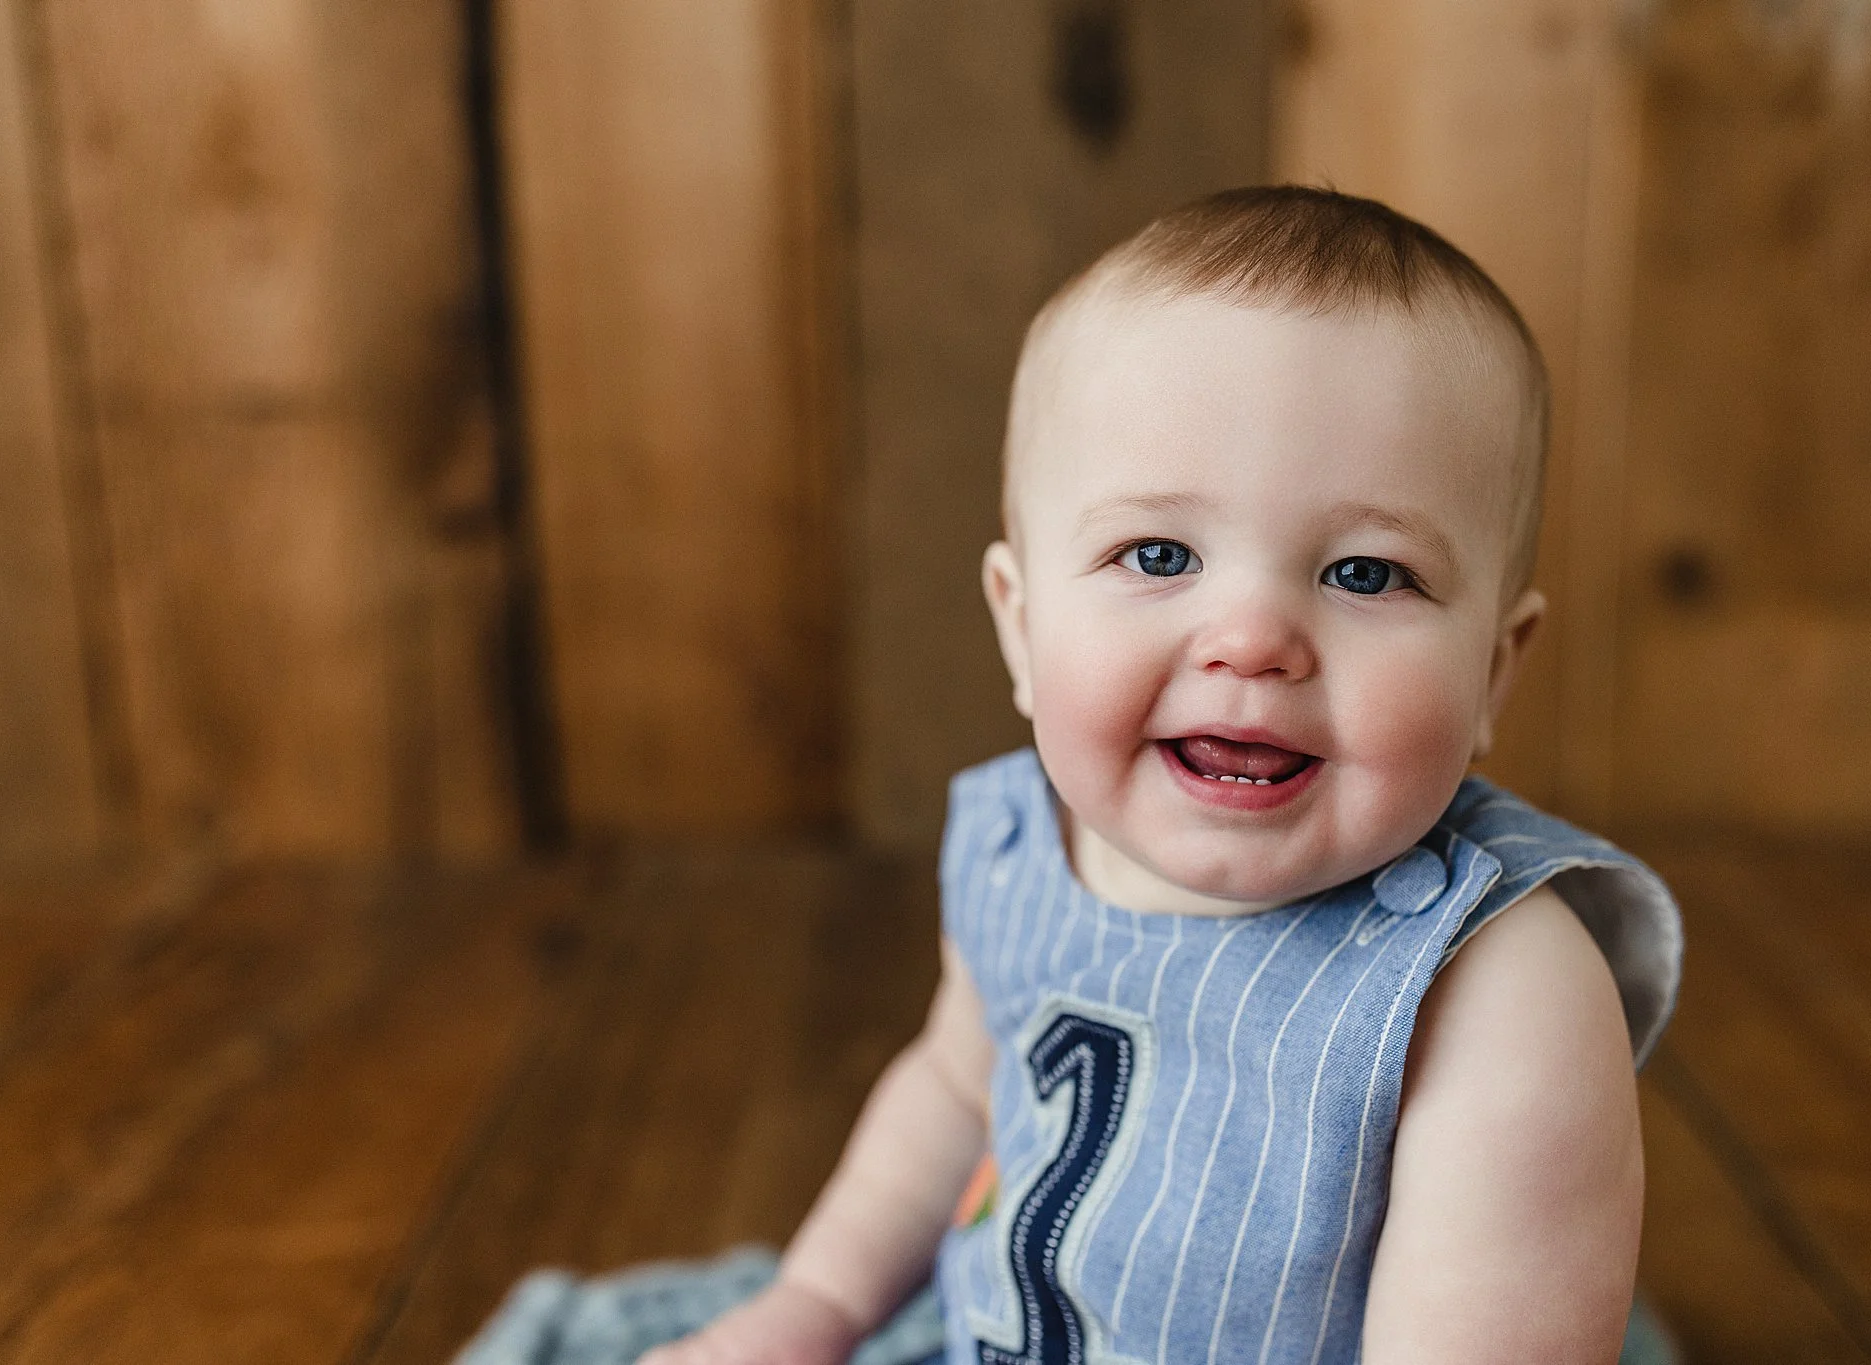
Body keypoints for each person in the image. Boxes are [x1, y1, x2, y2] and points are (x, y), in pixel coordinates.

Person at [640, 186, 1681, 1365]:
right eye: (1158, 554)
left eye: (1363, 574)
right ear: (1019, 628)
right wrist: (813, 1308)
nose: (1251, 639)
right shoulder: (1019, 850)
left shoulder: (1494, 989)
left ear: (1492, 670)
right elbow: (949, 1090)